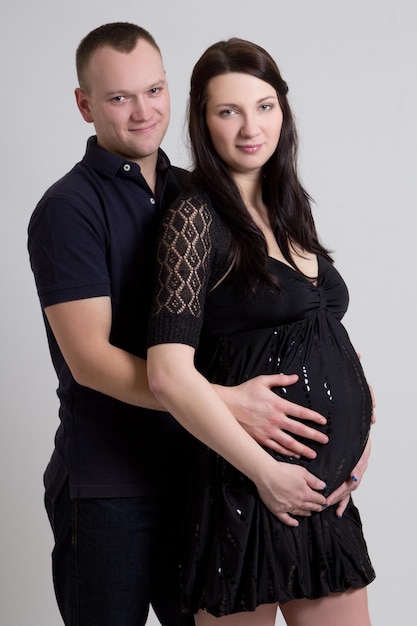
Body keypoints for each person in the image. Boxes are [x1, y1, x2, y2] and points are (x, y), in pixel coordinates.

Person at [26, 23, 370, 626]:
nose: (141, 111)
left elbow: (290, 331)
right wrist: (229, 402)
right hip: (115, 483)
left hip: (202, 463)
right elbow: (90, 360)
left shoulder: (201, 192)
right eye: (118, 97)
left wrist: (357, 424)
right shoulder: (70, 209)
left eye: (153, 90)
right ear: (84, 104)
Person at [146, 38, 375, 626]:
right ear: (202, 119)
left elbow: (321, 332)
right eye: (229, 111)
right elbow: (169, 374)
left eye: (265, 106)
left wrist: (360, 432)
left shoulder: (288, 205)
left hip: (321, 497)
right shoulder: (194, 217)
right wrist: (267, 476)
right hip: (243, 492)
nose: (252, 127)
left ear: (283, 111)